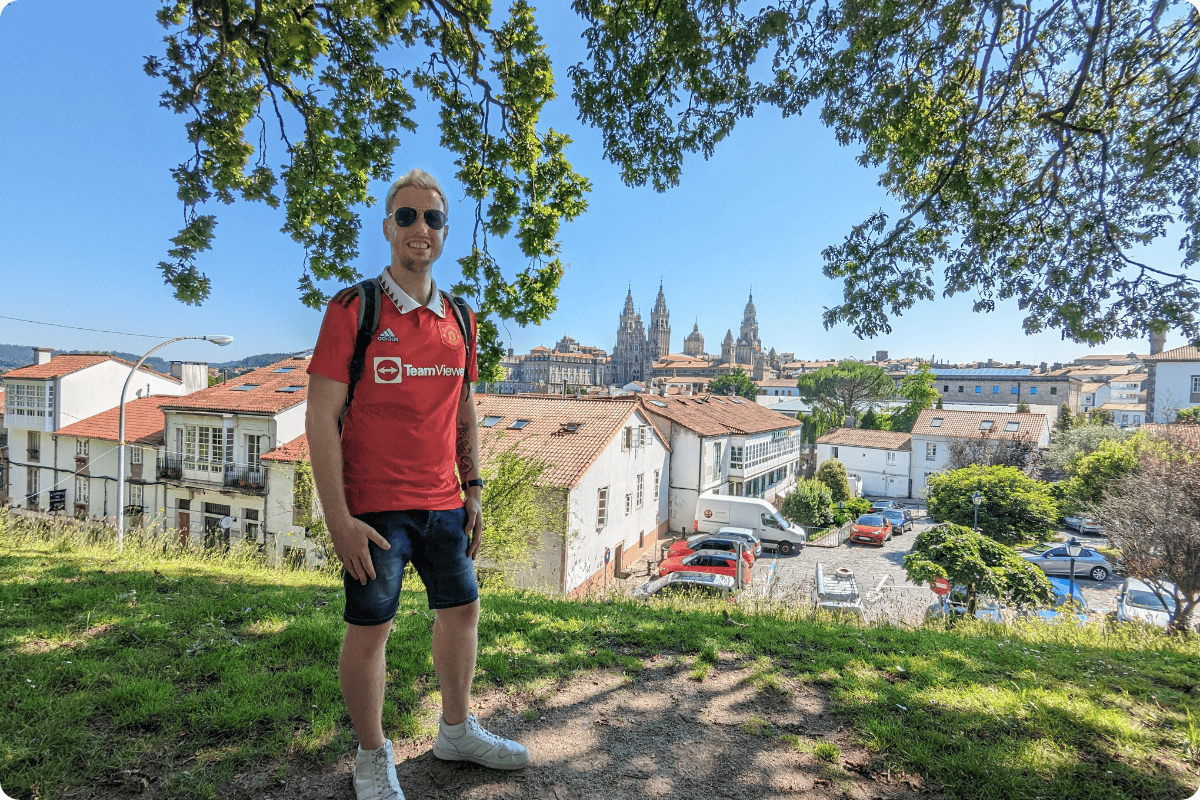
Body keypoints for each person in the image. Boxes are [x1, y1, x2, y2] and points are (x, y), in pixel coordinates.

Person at [306, 168, 528, 800]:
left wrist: (475, 487)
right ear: (387, 228)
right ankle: (373, 757)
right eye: (406, 217)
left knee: (462, 612)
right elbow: (319, 416)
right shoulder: (354, 309)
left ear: (445, 231)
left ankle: (456, 732)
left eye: (431, 218)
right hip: (373, 509)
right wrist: (338, 519)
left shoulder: (461, 316)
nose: (419, 229)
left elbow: (463, 408)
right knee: (370, 629)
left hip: (444, 504)